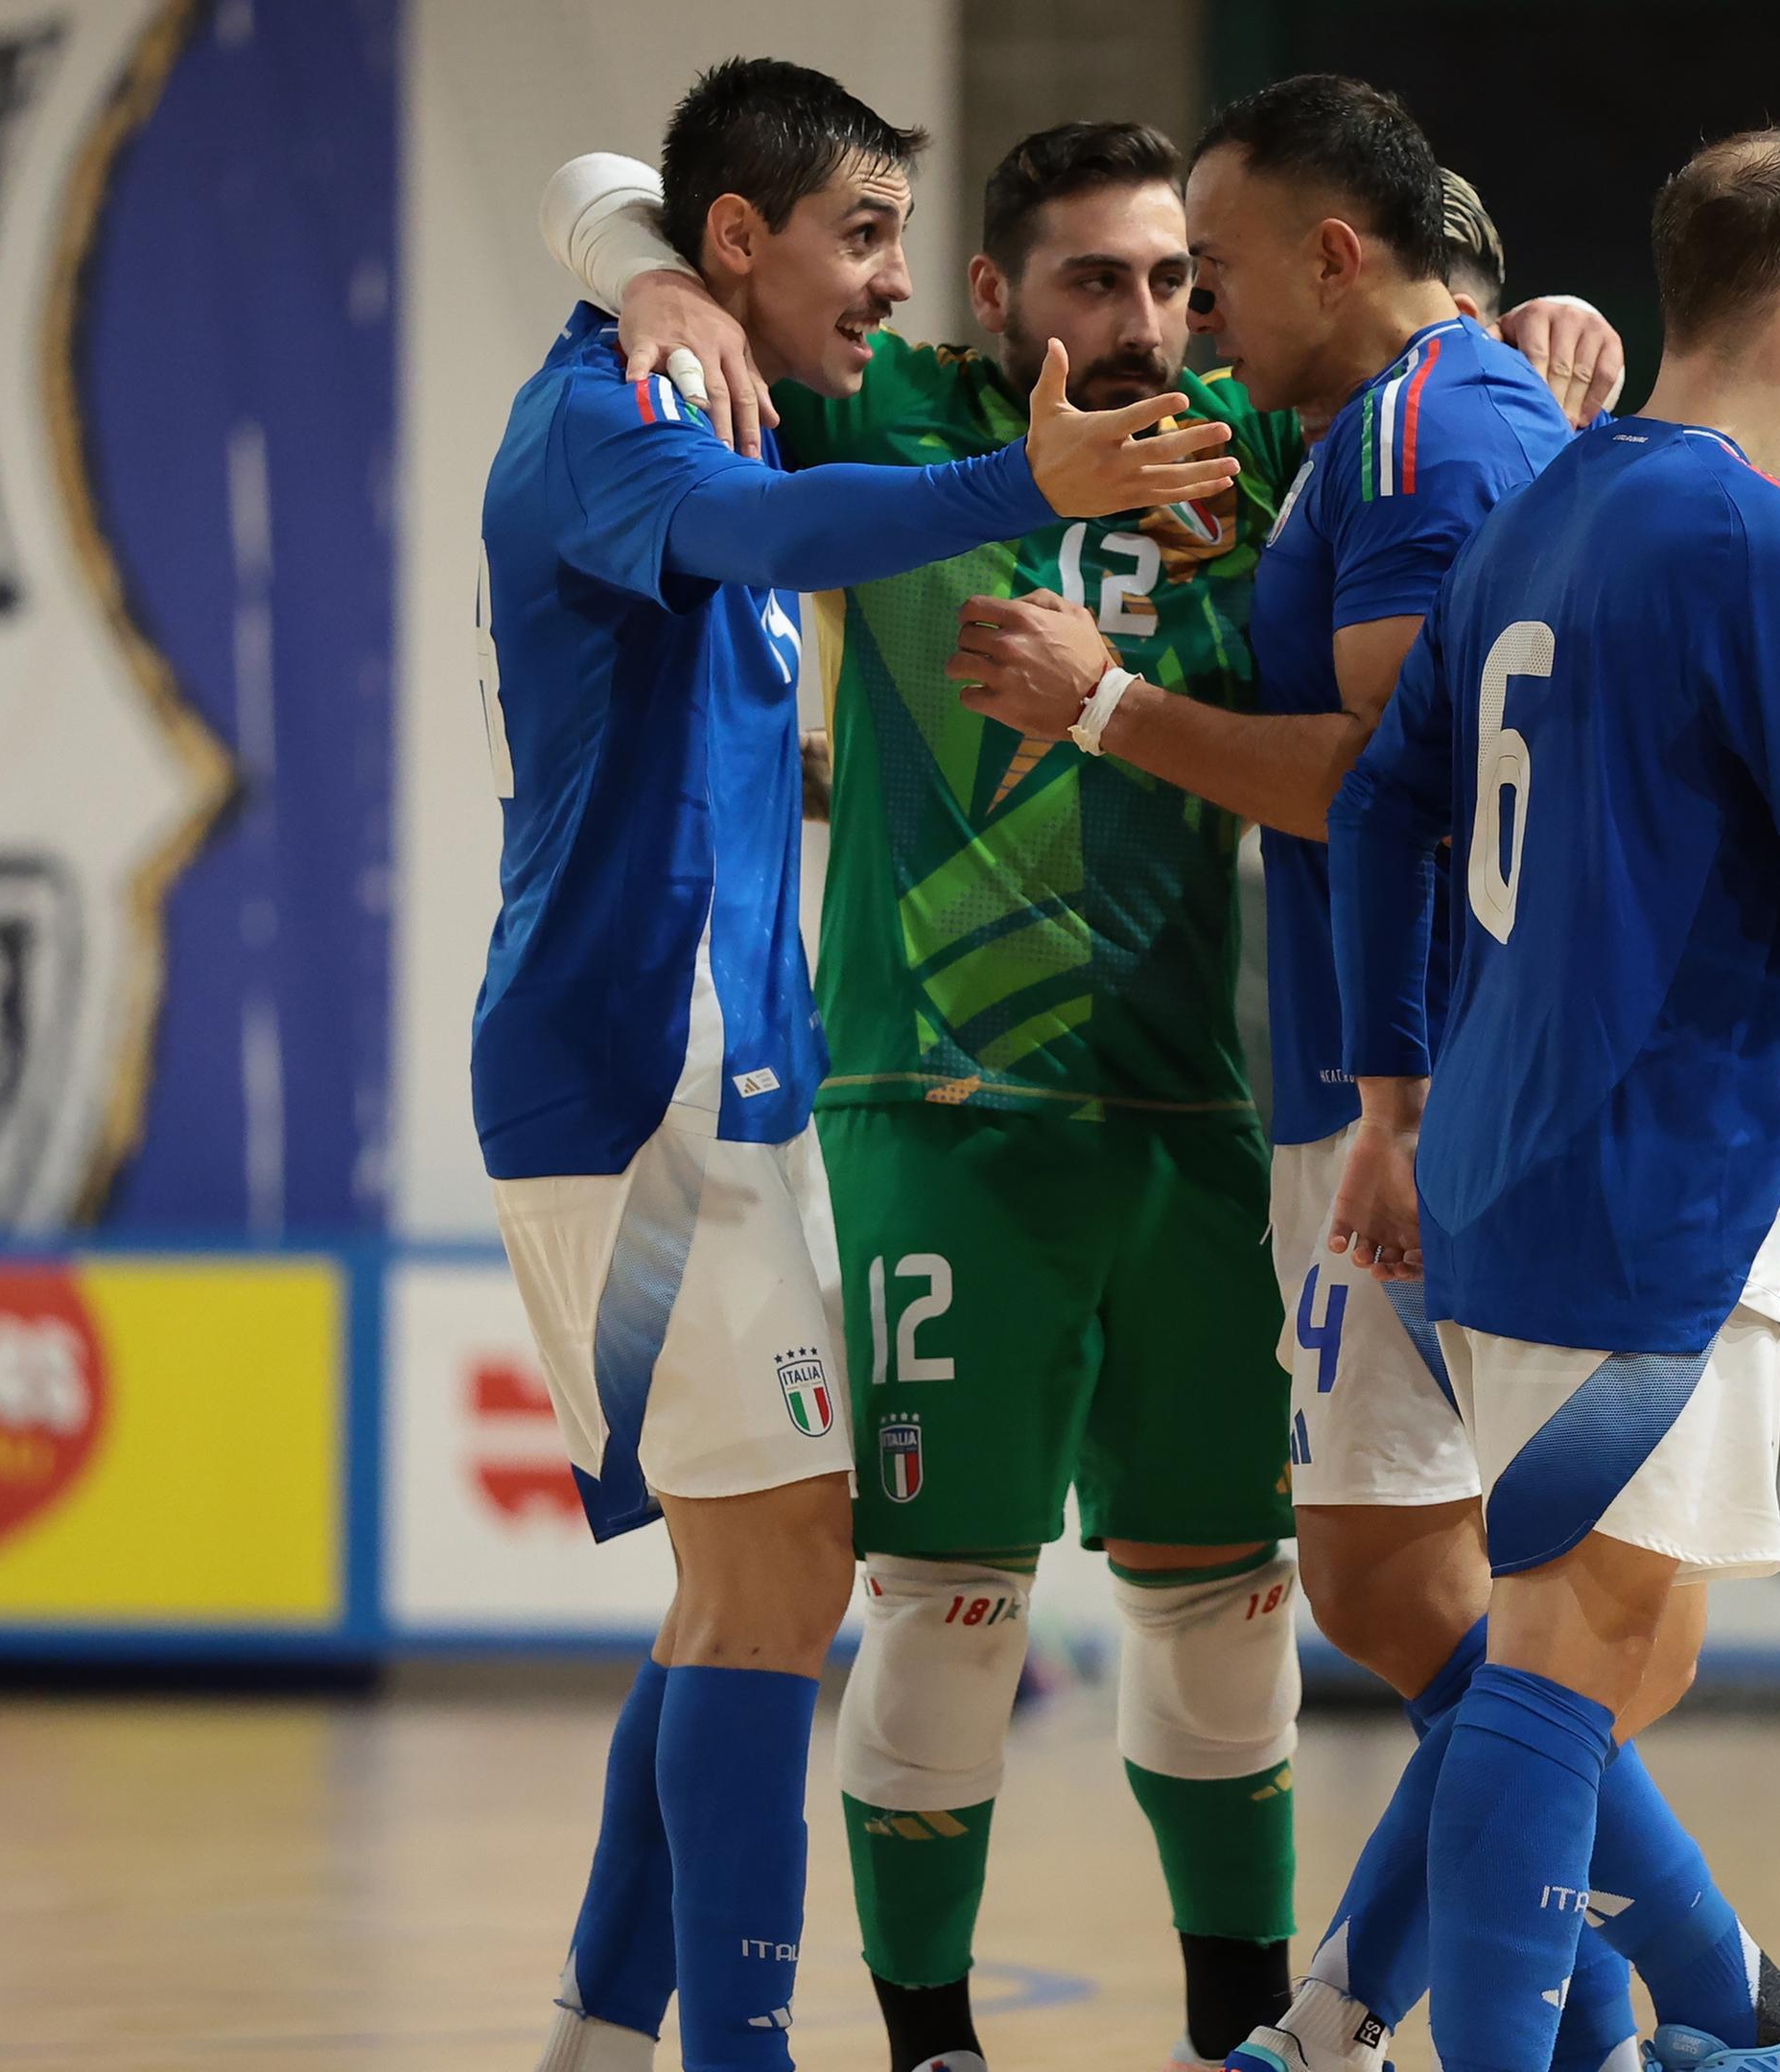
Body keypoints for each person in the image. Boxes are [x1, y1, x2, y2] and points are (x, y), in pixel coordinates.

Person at [527, 119, 1629, 2072]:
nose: (1144, 323)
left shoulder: (1261, 448)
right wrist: (648, 267)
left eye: (1172, 281)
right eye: (1093, 283)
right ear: (987, 301)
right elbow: (636, 191)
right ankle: (925, 2041)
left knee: (1229, 1617)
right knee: (932, 1611)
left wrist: (1534, 303)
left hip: (1197, 1128)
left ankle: (1241, 2036)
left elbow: (1407, 368)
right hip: (931, 1119)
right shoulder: (892, 421)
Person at [473, 58, 1235, 2072]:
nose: (889, 285)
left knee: (742, 1581)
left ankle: (601, 2034)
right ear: (744, 247)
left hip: (734, 1075)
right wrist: (1020, 492)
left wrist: (644, 258)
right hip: (635, 1071)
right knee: (786, 1571)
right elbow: (771, 522)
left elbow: (615, 183)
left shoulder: (678, 361)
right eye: (868, 237)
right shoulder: (615, 413)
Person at [946, 72, 1693, 2072]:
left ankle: (1670, 2008)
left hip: (1441, 1093)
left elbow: (1395, 781)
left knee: (1538, 1625)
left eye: (1218, 272)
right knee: (1403, 1586)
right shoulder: (1375, 426)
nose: (1193, 320)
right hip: (1391, 1086)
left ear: (1334, 256)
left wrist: (1103, 706)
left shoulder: (1435, 433)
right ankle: (1556, 2018)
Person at [1321, 130, 1780, 2072]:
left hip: (1504, 1156)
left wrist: (1395, 1094)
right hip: (1649, 1164)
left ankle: (1347, 2028)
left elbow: (1380, 800)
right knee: (1570, 1668)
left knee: (1593, 1655)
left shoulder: (1540, 504)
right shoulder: (1756, 530)